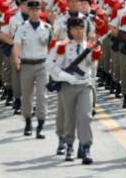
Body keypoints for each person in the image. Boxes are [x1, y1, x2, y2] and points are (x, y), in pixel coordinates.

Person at [49, 17, 100, 165]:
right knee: (69, 117)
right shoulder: (62, 46)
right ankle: (69, 145)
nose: (79, 31)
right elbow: (53, 66)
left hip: (85, 85)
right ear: (70, 30)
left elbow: (93, 64)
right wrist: (66, 77)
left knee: (85, 116)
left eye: (81, 28)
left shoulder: (89, 46)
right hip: (68, 86)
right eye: (76, 28)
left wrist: (95, 51)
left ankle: (85, 147)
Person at [12, 0, 52, 138]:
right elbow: (17, 44)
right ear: (28, 11)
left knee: (42, 96)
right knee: (27, 96)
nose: (35, 12)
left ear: (40, 11)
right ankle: (28, 121)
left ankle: (40, 125)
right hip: (27, 64)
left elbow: (52, 47)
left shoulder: (47, 28)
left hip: (42, 65)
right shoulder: (22, 27)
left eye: (37, 10)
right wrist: (16, 59)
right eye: (32, 10)